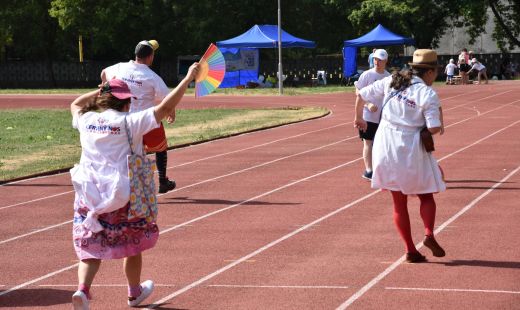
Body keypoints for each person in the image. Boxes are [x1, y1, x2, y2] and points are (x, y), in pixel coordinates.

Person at [70, 63, 199, 310]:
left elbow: (75, 104)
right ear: (126, 102)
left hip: (90, 194)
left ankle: (83, 290)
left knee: (91, 246)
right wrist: (188, 79)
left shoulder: (86, 120)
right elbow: (165, 107)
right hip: (122, 194)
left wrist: (98, 92)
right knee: (132, 243)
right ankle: (133, 292)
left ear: (103, 99)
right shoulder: (130, 122)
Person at [354, 49, 446, 263]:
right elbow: (433, 127)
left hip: (385, 144)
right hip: (411, 146)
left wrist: (359, 117)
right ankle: (429, 234)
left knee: (399, 202)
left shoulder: (392, 81)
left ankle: (410, 249)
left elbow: (361, 93)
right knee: (426, 194)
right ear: (430, 72)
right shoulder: (427, 93)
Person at [101, 40, 176, 194]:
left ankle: (119, 183)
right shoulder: (151, 76)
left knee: (127, 151)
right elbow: (168, 98)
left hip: (123, 119)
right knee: (160, 149)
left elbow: (103, 72)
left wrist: (105, 87)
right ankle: (162, 181)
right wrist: (171, 113)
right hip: (146, 120)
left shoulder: (120, 67)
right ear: (150, 57)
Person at [354, 49, 391, 180]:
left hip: (382, 117)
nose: (377, 62)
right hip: (367, 116)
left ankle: (380, 169)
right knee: (368, 142)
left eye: (380, 59)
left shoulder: (388, 77)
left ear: (386, 61)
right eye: (375, 59)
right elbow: (358, 92)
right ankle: (369, 170)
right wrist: (368, 104)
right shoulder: (367, 75)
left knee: (381, 144)